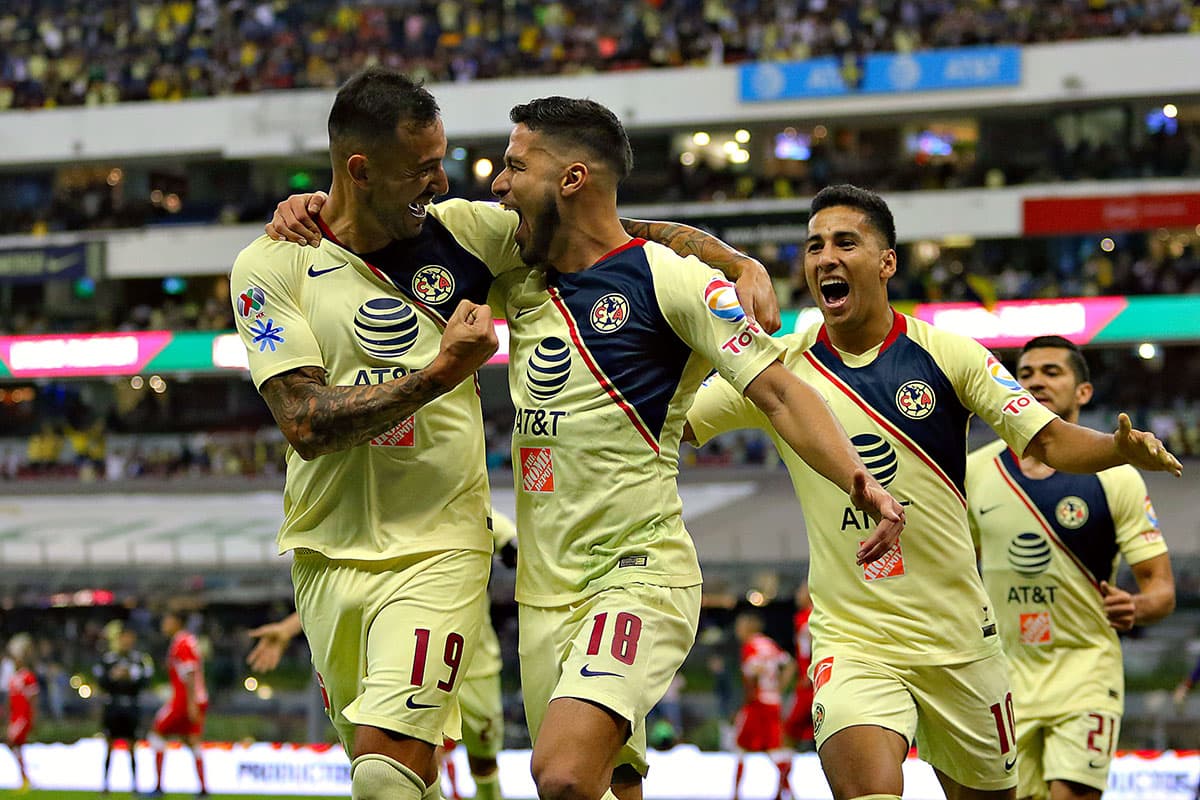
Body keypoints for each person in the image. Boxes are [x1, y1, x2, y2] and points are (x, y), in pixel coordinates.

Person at [243, 67, 781, 800]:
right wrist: (439, 373)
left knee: (385, 774)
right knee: (400, 779)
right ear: (359, 171)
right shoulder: (270, 264)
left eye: (441, 161)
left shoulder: (464, 235)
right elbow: (304, 422)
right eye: (421, 169)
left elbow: (608, 230)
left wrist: (733, 261)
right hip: (323, 553)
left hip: (439, 547)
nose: (442, 183)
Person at [684, 184, 1182, 800]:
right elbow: (671, 424)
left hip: (960, 643)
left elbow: (1049, 440)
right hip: (855, 641)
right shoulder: (777, 372)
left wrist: (1117, 448)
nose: (826, 257)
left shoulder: (949, 355)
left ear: (887, 262)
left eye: (845, 242)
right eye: (814, 247)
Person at [488, 98, 904, 800]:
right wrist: (316, 208)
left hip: (636, 575)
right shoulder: (518, 274)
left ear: (573, 179)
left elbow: (779, 391)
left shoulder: (670, 280)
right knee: (608, 785)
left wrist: (858, 478)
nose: (499, 184)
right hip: (541, 593)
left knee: (561, 774)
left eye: (514, 166)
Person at [966, 336, 1176, 800]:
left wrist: (1137, 607)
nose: (1035, 381)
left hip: (1086, 673)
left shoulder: (1116, 476)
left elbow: (1161, 590)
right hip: (1003, 681)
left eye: (1051, 372)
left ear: (1084, 391)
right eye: (1025, 374)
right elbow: (957, 570)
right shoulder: (975, 472)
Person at [441, 511, 519, 800]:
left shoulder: (476, 509)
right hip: (421, 647)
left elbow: (513, 545)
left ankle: (489, 794)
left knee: (484, 755)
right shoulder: (409, 506)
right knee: (421, 744)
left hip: (477, 657)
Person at [731, 613, 794, 800]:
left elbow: (753, 671)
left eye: (740, 626)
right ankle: (785, 792)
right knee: (773, 749)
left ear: (748, 627)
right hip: (773, 701)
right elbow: (790, 664)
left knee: (741, 747)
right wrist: (779, 687)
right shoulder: (770, 644)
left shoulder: (750, 646)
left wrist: (750, 695)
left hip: (758, 704)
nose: (737, 630)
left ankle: (736, 794)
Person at [149, 611, 207, 797]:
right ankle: (203, 789)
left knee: (156, 733)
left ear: (176, 622)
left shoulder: (181, 642)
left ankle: (158, 786)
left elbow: (189, 673)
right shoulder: (188, 640)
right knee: (192, 739)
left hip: (185, 700)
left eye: (167, 620)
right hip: (196, 698)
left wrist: (190, 703)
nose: (164, 624)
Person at [94, 626, 154, 794]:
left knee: (133, 746)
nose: (126, 641)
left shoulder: (140, 660)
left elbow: (146, 680)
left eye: (129, 637)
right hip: (113, 706)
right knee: (109, 745)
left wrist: (131, 677)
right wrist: (113, 677)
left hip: (131, 706)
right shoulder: (108, 660)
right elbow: (101, 681)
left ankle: (135, 786)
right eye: (123, 638)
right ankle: (105, 786)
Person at [783, 583, 815, 753]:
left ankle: (784, 767)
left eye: (801, 591)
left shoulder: (810, 617)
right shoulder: (804, 617)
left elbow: (814, 646)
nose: (797, 594)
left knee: (789, 729)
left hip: (810, 683)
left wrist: (810, 672)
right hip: (811, 679)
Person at [5, 634, 36, 792]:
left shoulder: (27, 676)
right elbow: (10, 699)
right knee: (16, 745)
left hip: (23, 717)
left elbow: (33, 698)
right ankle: (25, 777)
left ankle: (25, 777)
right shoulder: (13, 677)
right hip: (15, 717)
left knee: (12, 742)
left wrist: (33, 717)